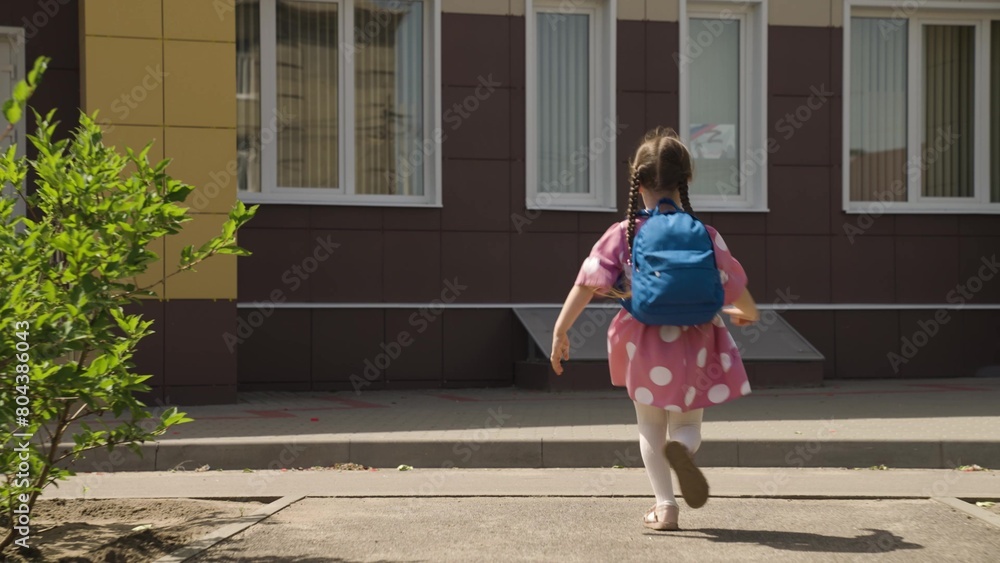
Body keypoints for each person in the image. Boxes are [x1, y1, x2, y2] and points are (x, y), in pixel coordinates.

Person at [550, 127, 759, 531]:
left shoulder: (624, 233)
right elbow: (740, 292)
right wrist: (744, 312)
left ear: (638, 181)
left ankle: (665, 507)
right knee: (686, 426)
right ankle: (680, 450)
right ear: (687, 180)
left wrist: (560, 332)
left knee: (649, 425)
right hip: (697, 339)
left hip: (643, 341)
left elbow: (586, 283)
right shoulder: (707, 235)